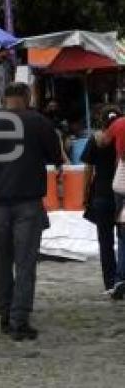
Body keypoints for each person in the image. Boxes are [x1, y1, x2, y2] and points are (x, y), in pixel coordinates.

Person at [0, 82, 62, 341]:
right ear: (27, 97)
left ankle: (5, 313)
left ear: (4, 99)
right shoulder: (40, 122)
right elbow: (56, 156)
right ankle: (19, 320)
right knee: (25, 263)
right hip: (28, 203)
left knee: (2, 261)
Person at [82, 106, 124, 296]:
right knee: (123, 240)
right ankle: (120, 278)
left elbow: (88, 169)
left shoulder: (95, 140)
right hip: (121, 195)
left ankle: (109, 282)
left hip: (101, 195)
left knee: (105, 241)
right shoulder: (121, 137)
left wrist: (84, 194)